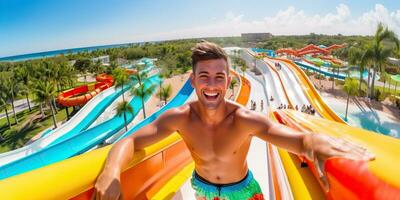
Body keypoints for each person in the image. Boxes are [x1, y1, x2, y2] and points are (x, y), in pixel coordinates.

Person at [93, 41, 374, 200]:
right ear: (193, 81)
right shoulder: (179, 118)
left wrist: (314, 141)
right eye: (204, 77)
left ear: (229, 81)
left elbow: (296, 139)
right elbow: (130, 140)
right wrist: (111, 172)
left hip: (243, 193)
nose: (212, 85)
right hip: (202, 190)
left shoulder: (244, 119)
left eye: (219, 77)